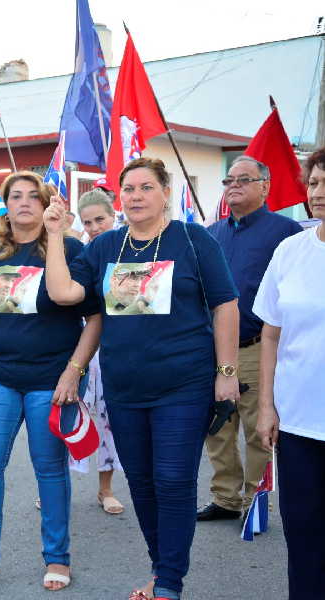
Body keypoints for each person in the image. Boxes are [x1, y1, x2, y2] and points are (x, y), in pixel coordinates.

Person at [42, 157, 239, 600]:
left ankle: (169, 582)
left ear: (165, 191)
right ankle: (159, 567)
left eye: (145, 187)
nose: (134, 196)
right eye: (127, 189)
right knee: (143, 484)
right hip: (126, 388)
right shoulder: (106, 247)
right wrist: (55, 235)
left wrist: (226, 373)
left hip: (183, 385)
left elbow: (225, 305)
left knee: (172, 480)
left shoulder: (193, 239)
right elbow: (64, 293)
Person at [0, 171, 100, 592]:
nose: (24, 202)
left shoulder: (70, 249)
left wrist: (75, 371)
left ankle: (57, 559)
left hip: (52, 380)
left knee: (48, 469)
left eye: (34, 195)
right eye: (16, 196)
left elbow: (94, 318)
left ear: (47, 204)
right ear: (5, 205)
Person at [200, 156, 303, 522]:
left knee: (258, 427)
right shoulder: (212, 234)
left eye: (244, 179)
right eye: (229, 180)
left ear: (265, 185)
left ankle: (255, 501)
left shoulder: (286, 233)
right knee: (218, 426)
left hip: (258, 346)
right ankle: (226, 498)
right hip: (213, 349)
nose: (234, 186)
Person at [254, 148, 325, 598]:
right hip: (299, 421)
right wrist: (266, 407)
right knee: (302, 532)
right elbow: (270, 335)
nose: (318, 192)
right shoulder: (290, 251)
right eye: (314, 183)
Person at [70, 190, 124, 515]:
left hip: (114, 349)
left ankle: (106, 489)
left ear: (113, 215)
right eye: (87, 222)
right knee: (68, 415)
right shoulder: (81, 254)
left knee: (107, 419)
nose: (93, 227)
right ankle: (56, 486)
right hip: (76, 347)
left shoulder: (130, 250)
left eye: (99, 219)